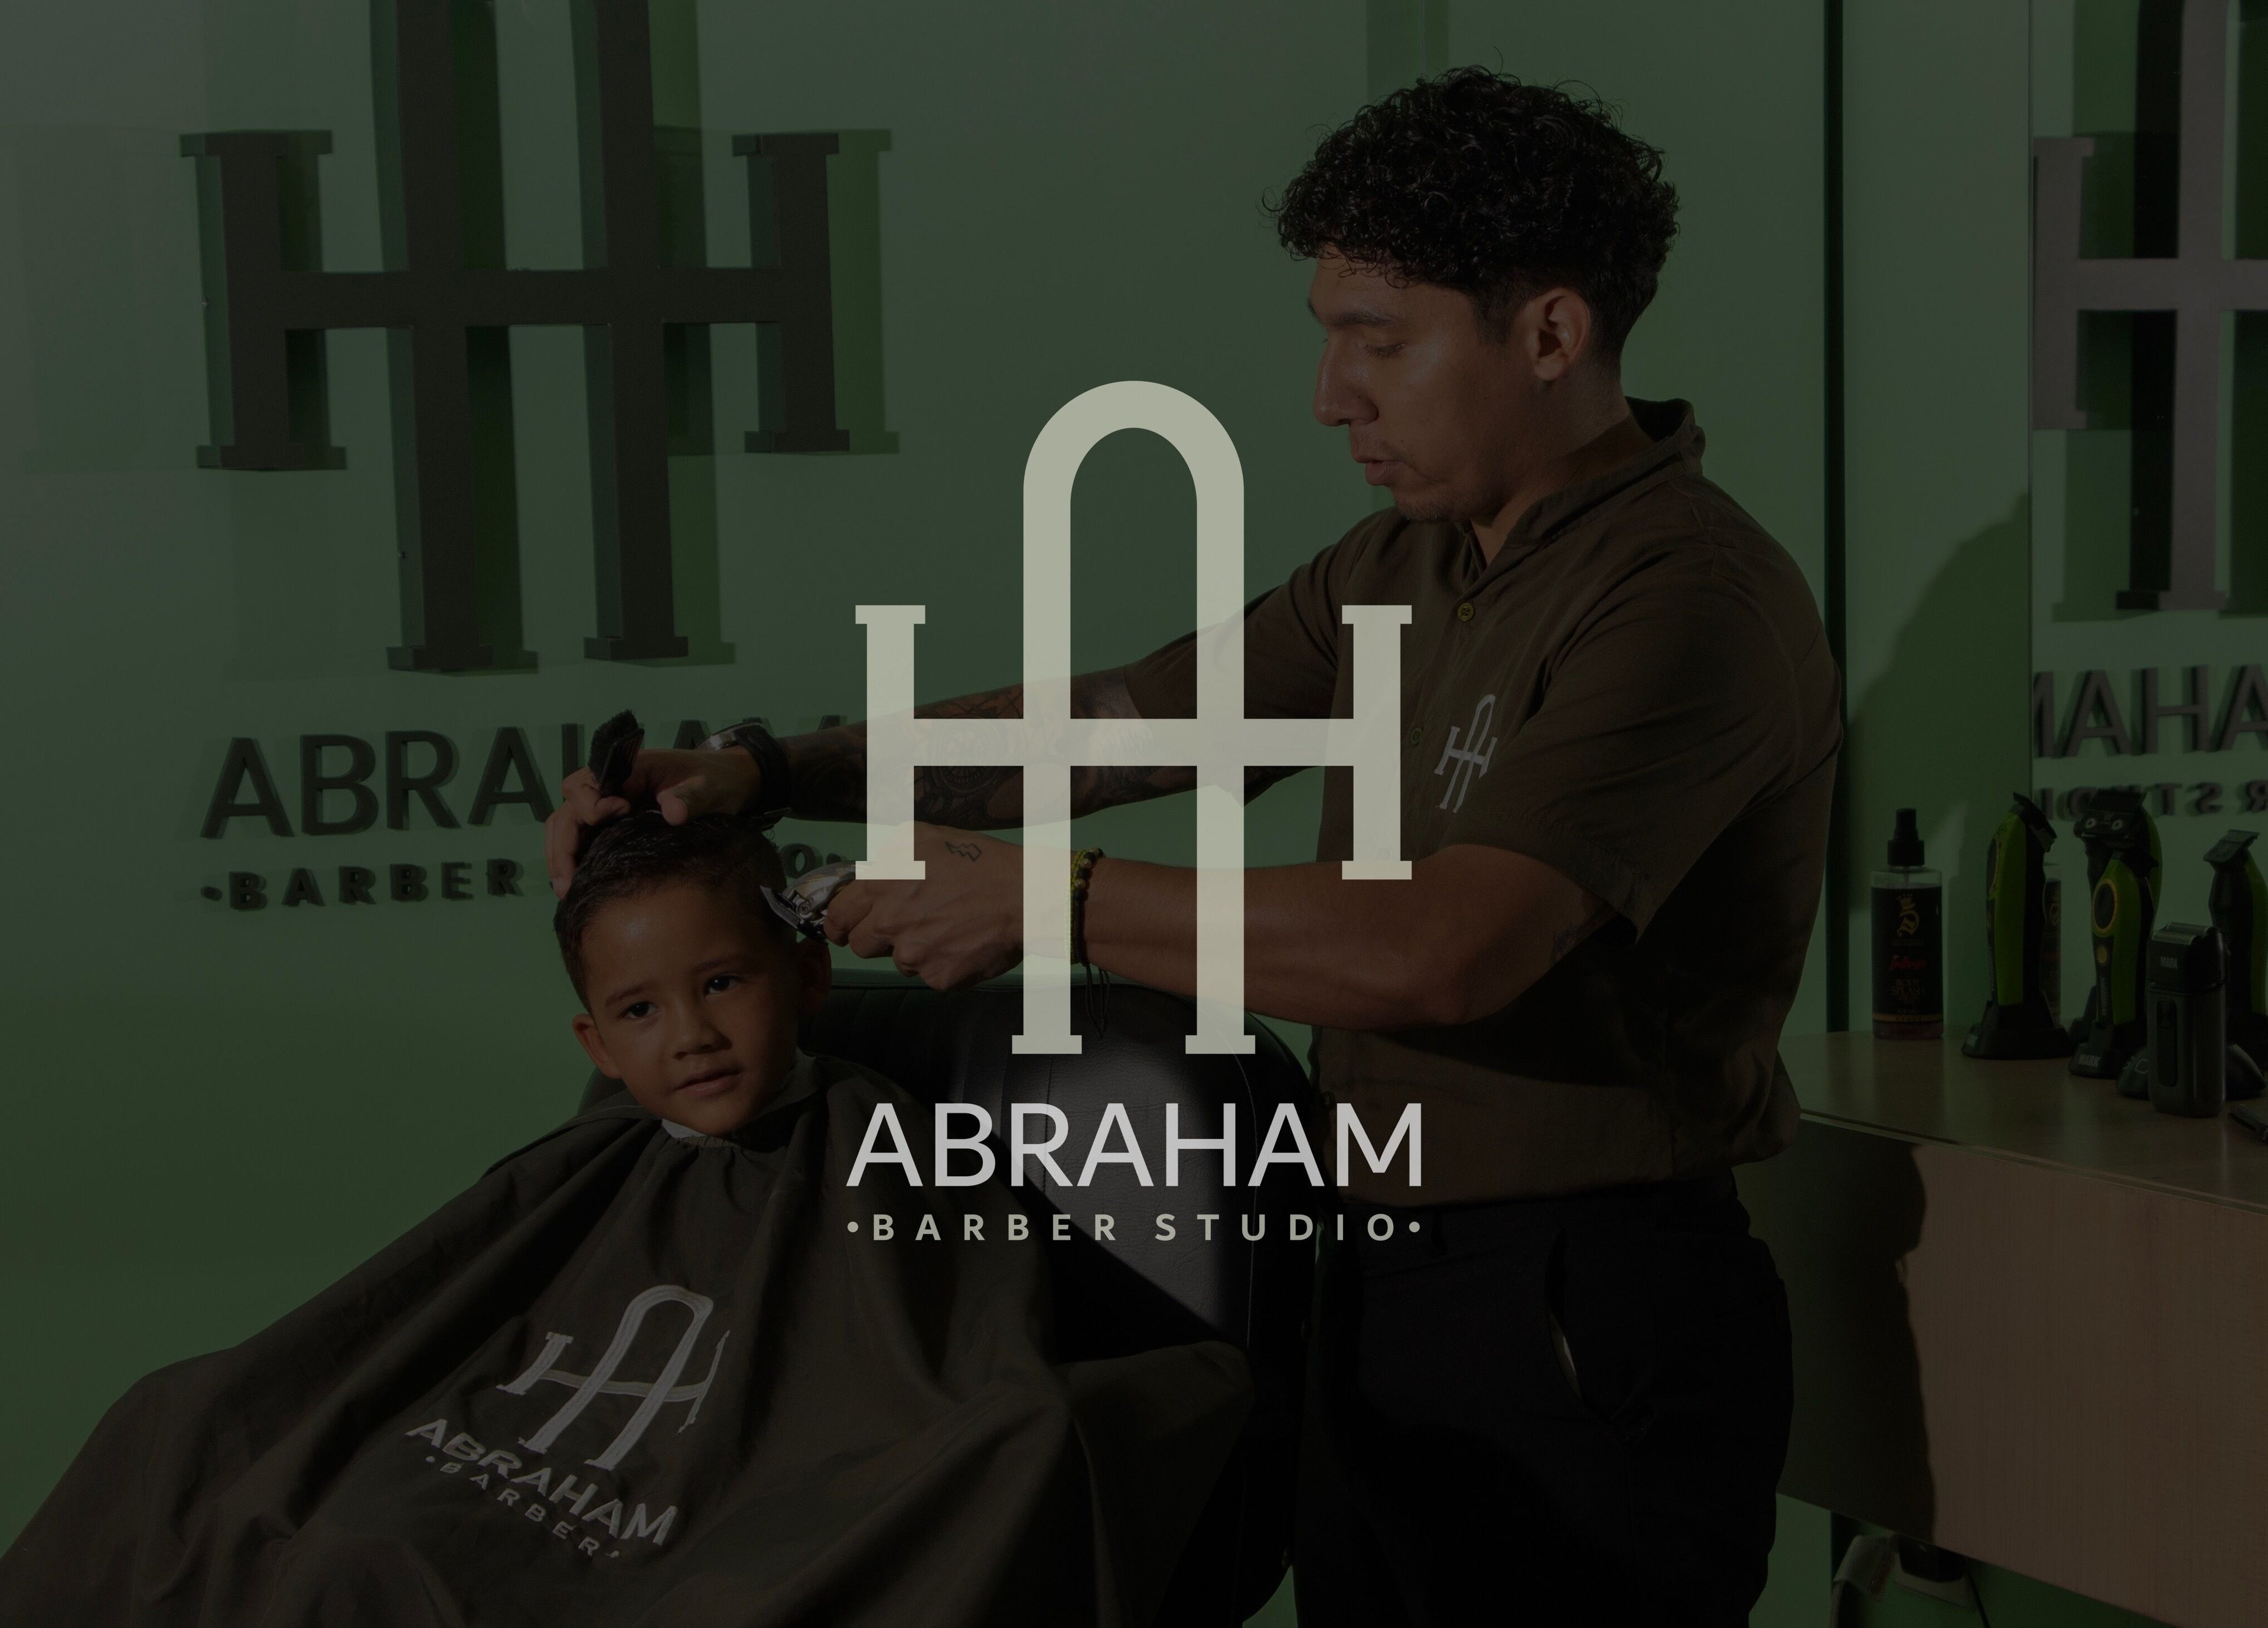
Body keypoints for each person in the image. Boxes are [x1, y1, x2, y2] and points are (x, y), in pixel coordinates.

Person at [547, 69, 1839, 1626]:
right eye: (1329, 335)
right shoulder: (1408, 560)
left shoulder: (1688, 597)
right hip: (1373, 1267)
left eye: (1380, 339)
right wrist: (765, 773)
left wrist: (1059, 905)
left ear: (1551, 334)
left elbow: (1446, 944)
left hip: (1576, 1305)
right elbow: (1120, 721)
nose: (1330, 392)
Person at [0, 815, 1249, 1627]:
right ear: (597, 1044)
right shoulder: (600, 1153)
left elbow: (940, 1366)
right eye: (641, 1012)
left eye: (720, 983)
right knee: (198, 1440)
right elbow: (442, 1316)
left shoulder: (886, 1151)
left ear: (806, 976)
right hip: (516, 1459)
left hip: (727, 1508)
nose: (691, 1034)